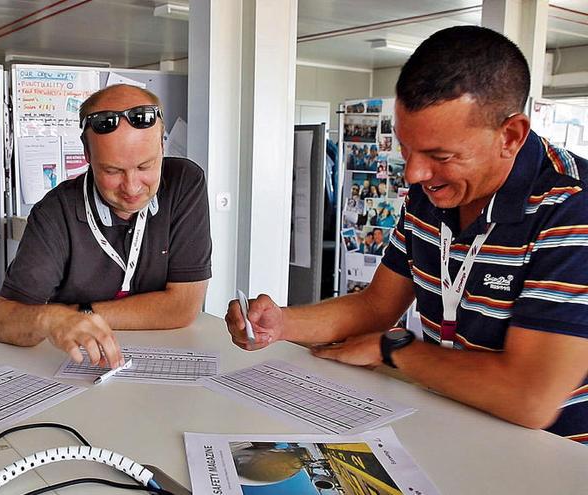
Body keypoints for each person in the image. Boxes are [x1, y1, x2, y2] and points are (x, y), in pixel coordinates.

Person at [226, 25, 588, 444]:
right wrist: (282, 323)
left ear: (510, 135)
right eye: (406, 148)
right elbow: (377, 304)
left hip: (551, 457)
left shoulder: (571, 209)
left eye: (440, 156)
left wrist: (395, 349)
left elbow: (530, 398)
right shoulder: (433, 191)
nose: (415, 175)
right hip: (452, 422)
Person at [0, 84, 211, 368]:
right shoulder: (55, 212)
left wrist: (80, 314)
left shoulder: (184, 183)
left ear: (162, 146)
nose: (132, 187)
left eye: (145, 166)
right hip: (75, 364)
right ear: (88, 157)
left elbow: (183, 307)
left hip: (160, 362)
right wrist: (50, 319)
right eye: (112, 171)